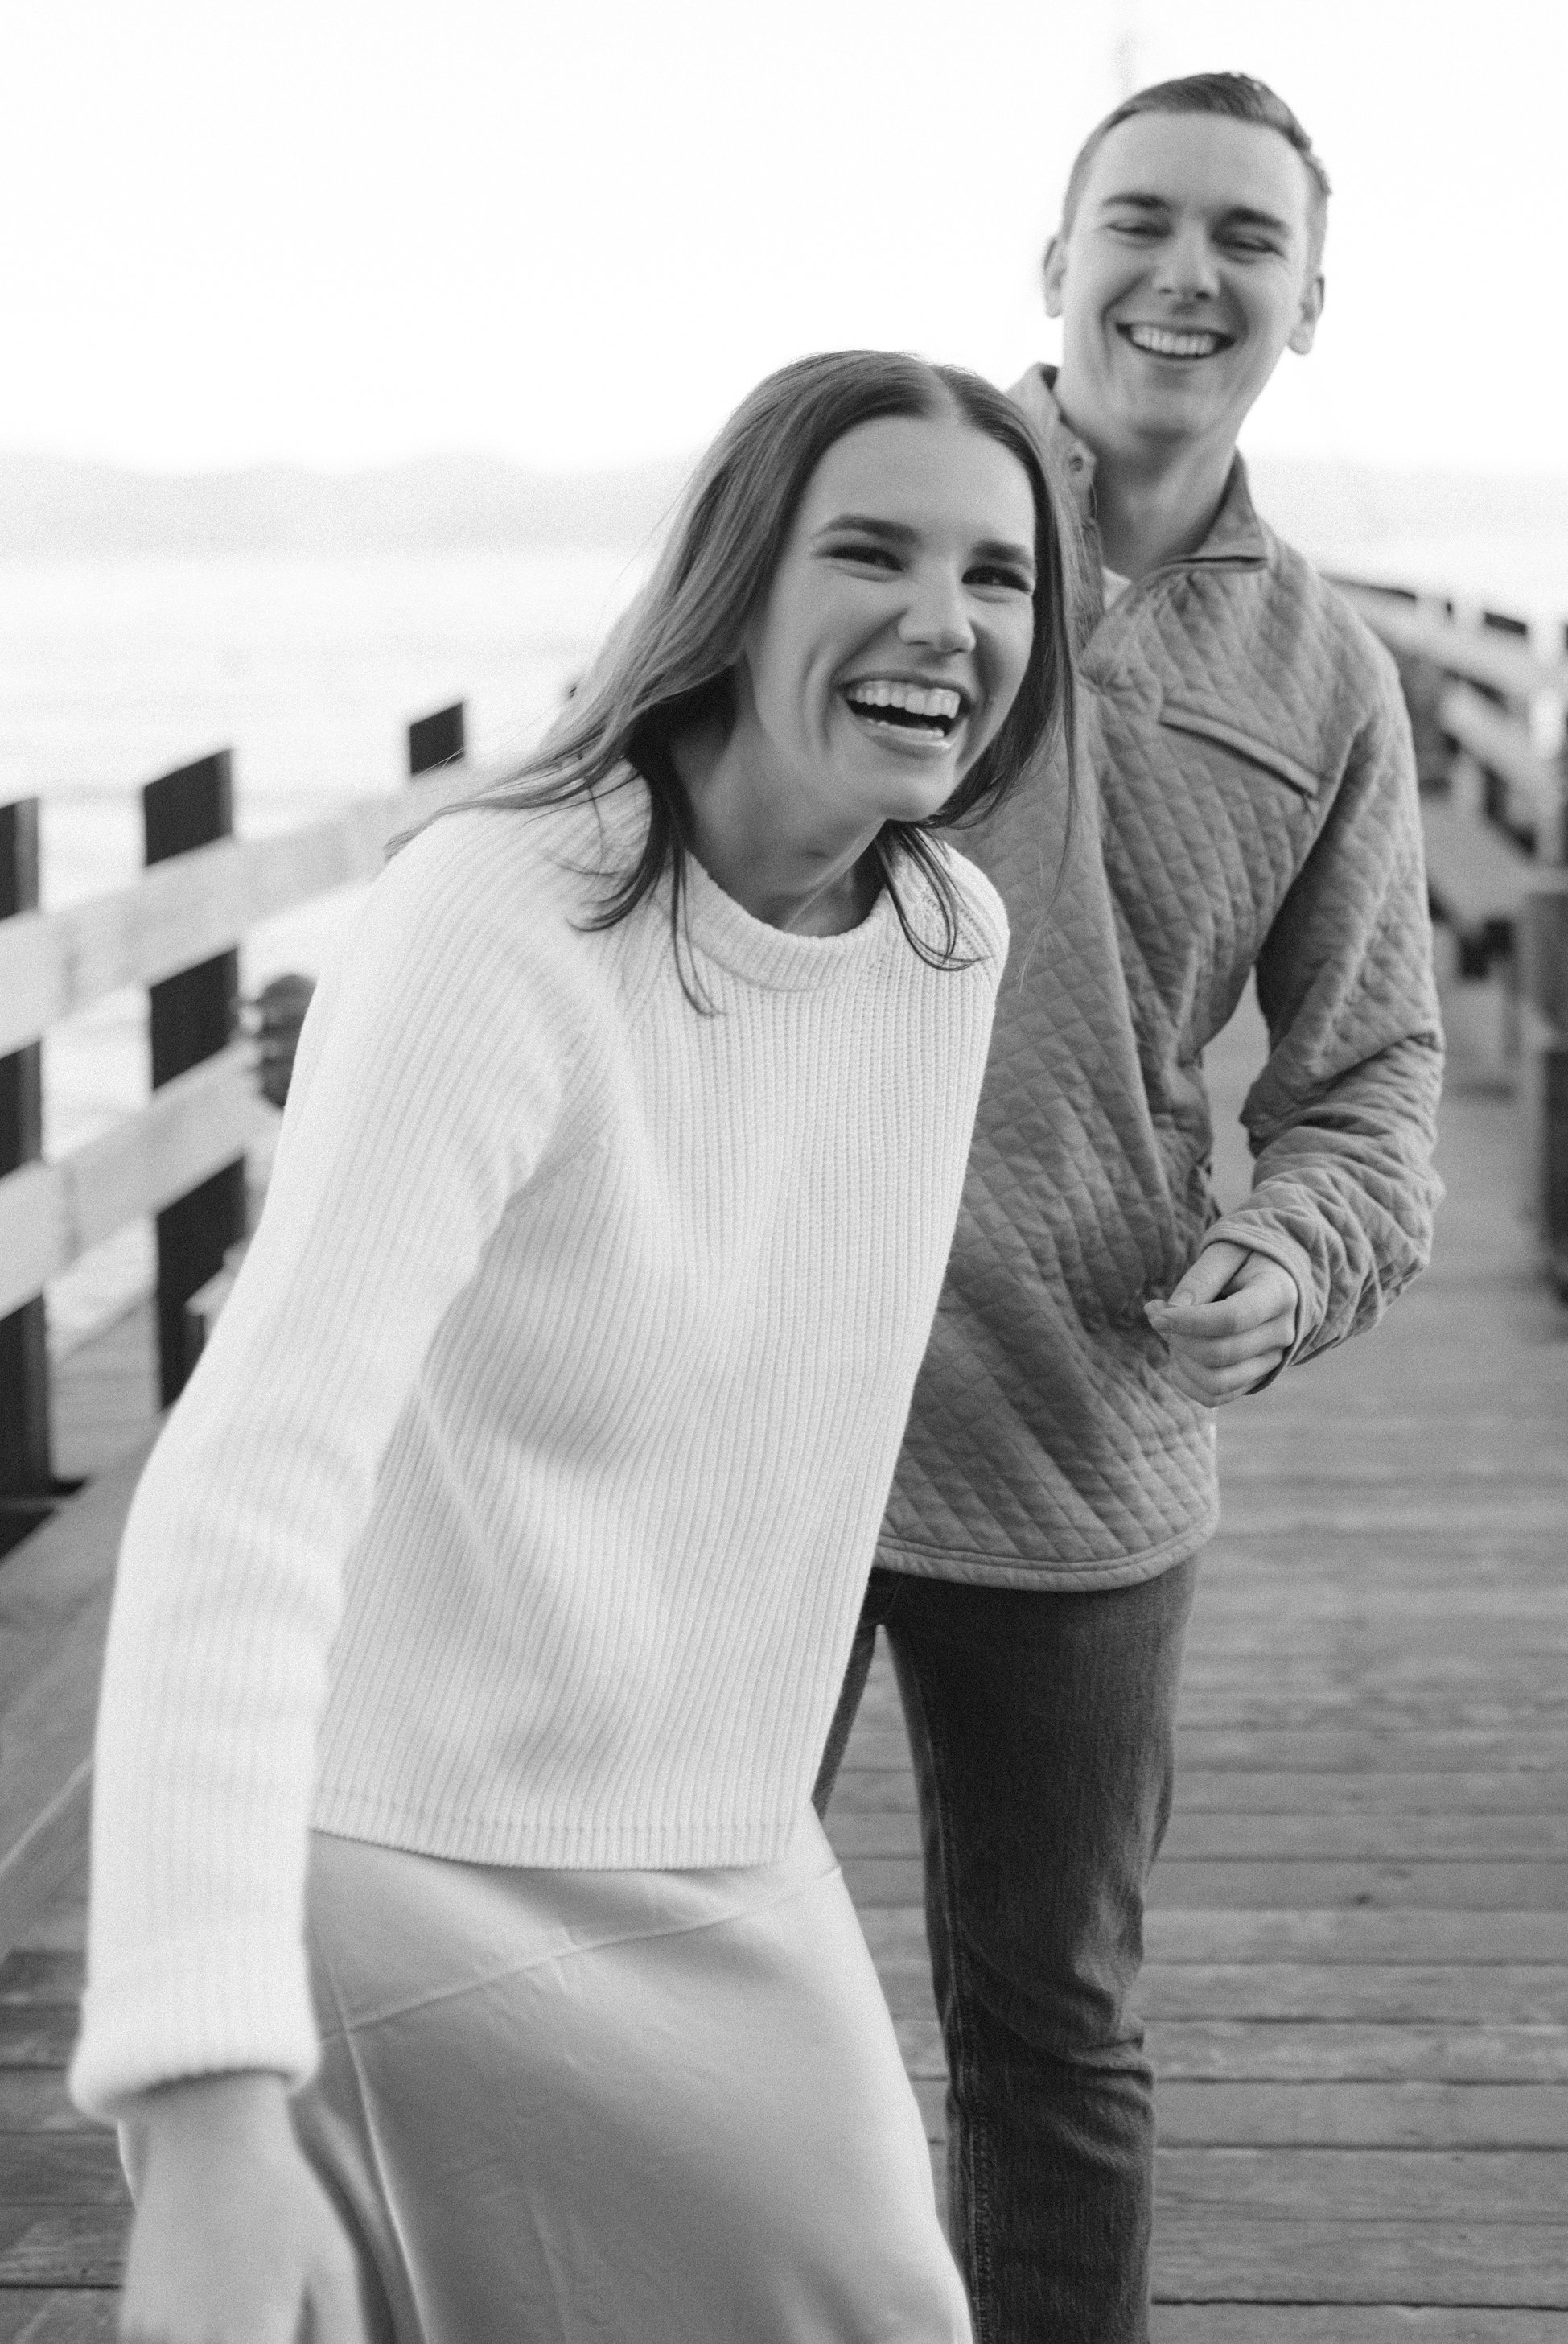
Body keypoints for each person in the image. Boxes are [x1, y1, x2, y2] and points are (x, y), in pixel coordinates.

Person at [74, 350, 1079, 2344]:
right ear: (735, 586)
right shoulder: (495, 914)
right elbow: (245, 1483)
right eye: (866, 550)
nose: (941, 623)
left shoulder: (943, 941)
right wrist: (202, 2088)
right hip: (396, 1846)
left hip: (717, 1844)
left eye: (999, 575)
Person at [814, 76, 1446, 2342]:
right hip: (746, 1377)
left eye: (1243, 237)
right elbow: (622, 788)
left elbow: (1369, 1077)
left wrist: (1291, 1248)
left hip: (1081, 1431)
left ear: (1304, 299)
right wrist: (419, 970)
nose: (1187, 273)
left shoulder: (1329, 676)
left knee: (1053, 2027)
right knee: (647, 1957)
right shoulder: (872, 505)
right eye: (1141, 220)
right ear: (1053, 254)